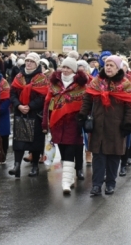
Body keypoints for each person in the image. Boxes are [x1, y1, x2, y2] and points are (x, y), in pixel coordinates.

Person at [78, 55, 131, 196]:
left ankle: (110, 183)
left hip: (116, 127)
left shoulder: (125, 84)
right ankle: (96, 185)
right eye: (107, 65)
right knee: (98, 157)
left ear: (117, 68)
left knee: (113, 157)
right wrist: (83, 115)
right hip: (98, 125)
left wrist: (128, 123)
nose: (108, 67)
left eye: (112, 65)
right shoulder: (97, 82)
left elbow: (130, 105)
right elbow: (87, 98)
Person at [42, 57, 88, 194]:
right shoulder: (54, 85)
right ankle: (69, 178)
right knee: (63, 151)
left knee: (69, 150)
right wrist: (45, 123)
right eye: (64, 67)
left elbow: (85, 105)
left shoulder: (81, 86)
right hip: (56, 122)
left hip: (74, 122)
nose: (65, 70)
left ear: (74, 70)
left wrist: (82, 119)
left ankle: (66, 182)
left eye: (69, 68)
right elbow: (47, 104)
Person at [9, 52, 48, 178]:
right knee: (18, 141)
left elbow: (44, 97)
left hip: (35, 114)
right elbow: (13, 94)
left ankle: (35, 166)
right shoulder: (18, 77)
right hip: (20, 113)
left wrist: (29, 106)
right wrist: (19, 105)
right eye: (27, 61)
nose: (29, 63)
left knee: (35, 142)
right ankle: (16, 166)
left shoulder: (42, 78)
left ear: (37, 63)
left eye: (31, 61)